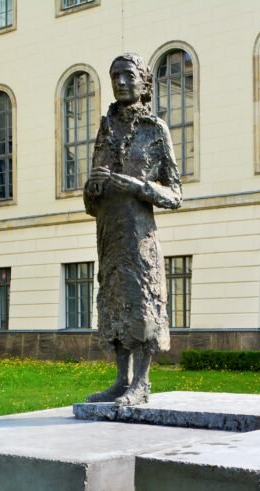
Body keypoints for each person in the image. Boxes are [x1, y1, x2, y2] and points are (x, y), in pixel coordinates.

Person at [83, 53, 182, 406]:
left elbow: (175, 194)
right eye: (115, 76)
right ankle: (121, 380)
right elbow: (91, 205)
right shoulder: (106, 129)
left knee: (142, 302)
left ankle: (142, 382)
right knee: (113, 300)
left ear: (145, 82)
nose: (120, 82)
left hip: (140, 236)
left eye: (127, 75)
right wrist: (92, 188)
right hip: (110, 234)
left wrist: (138, 186)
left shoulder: (155, 129)